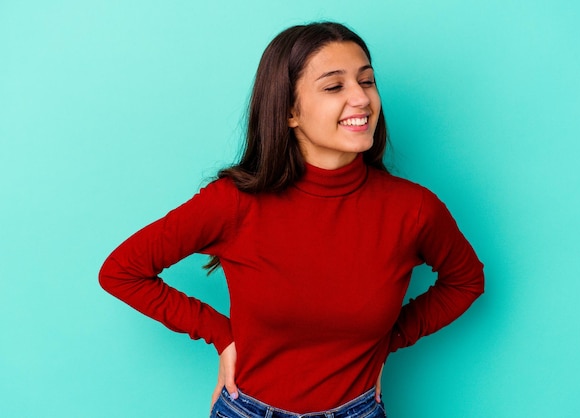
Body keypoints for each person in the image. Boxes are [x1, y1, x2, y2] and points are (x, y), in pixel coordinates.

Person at [99, 21, 484, 418]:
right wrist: (221, 335)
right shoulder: (233, 203)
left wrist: (389, 339)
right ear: (288, 112)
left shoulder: (413, 209)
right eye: (335, 86)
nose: (362, 99)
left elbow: (467, 280)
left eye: (367, 82)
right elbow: (121, 271)